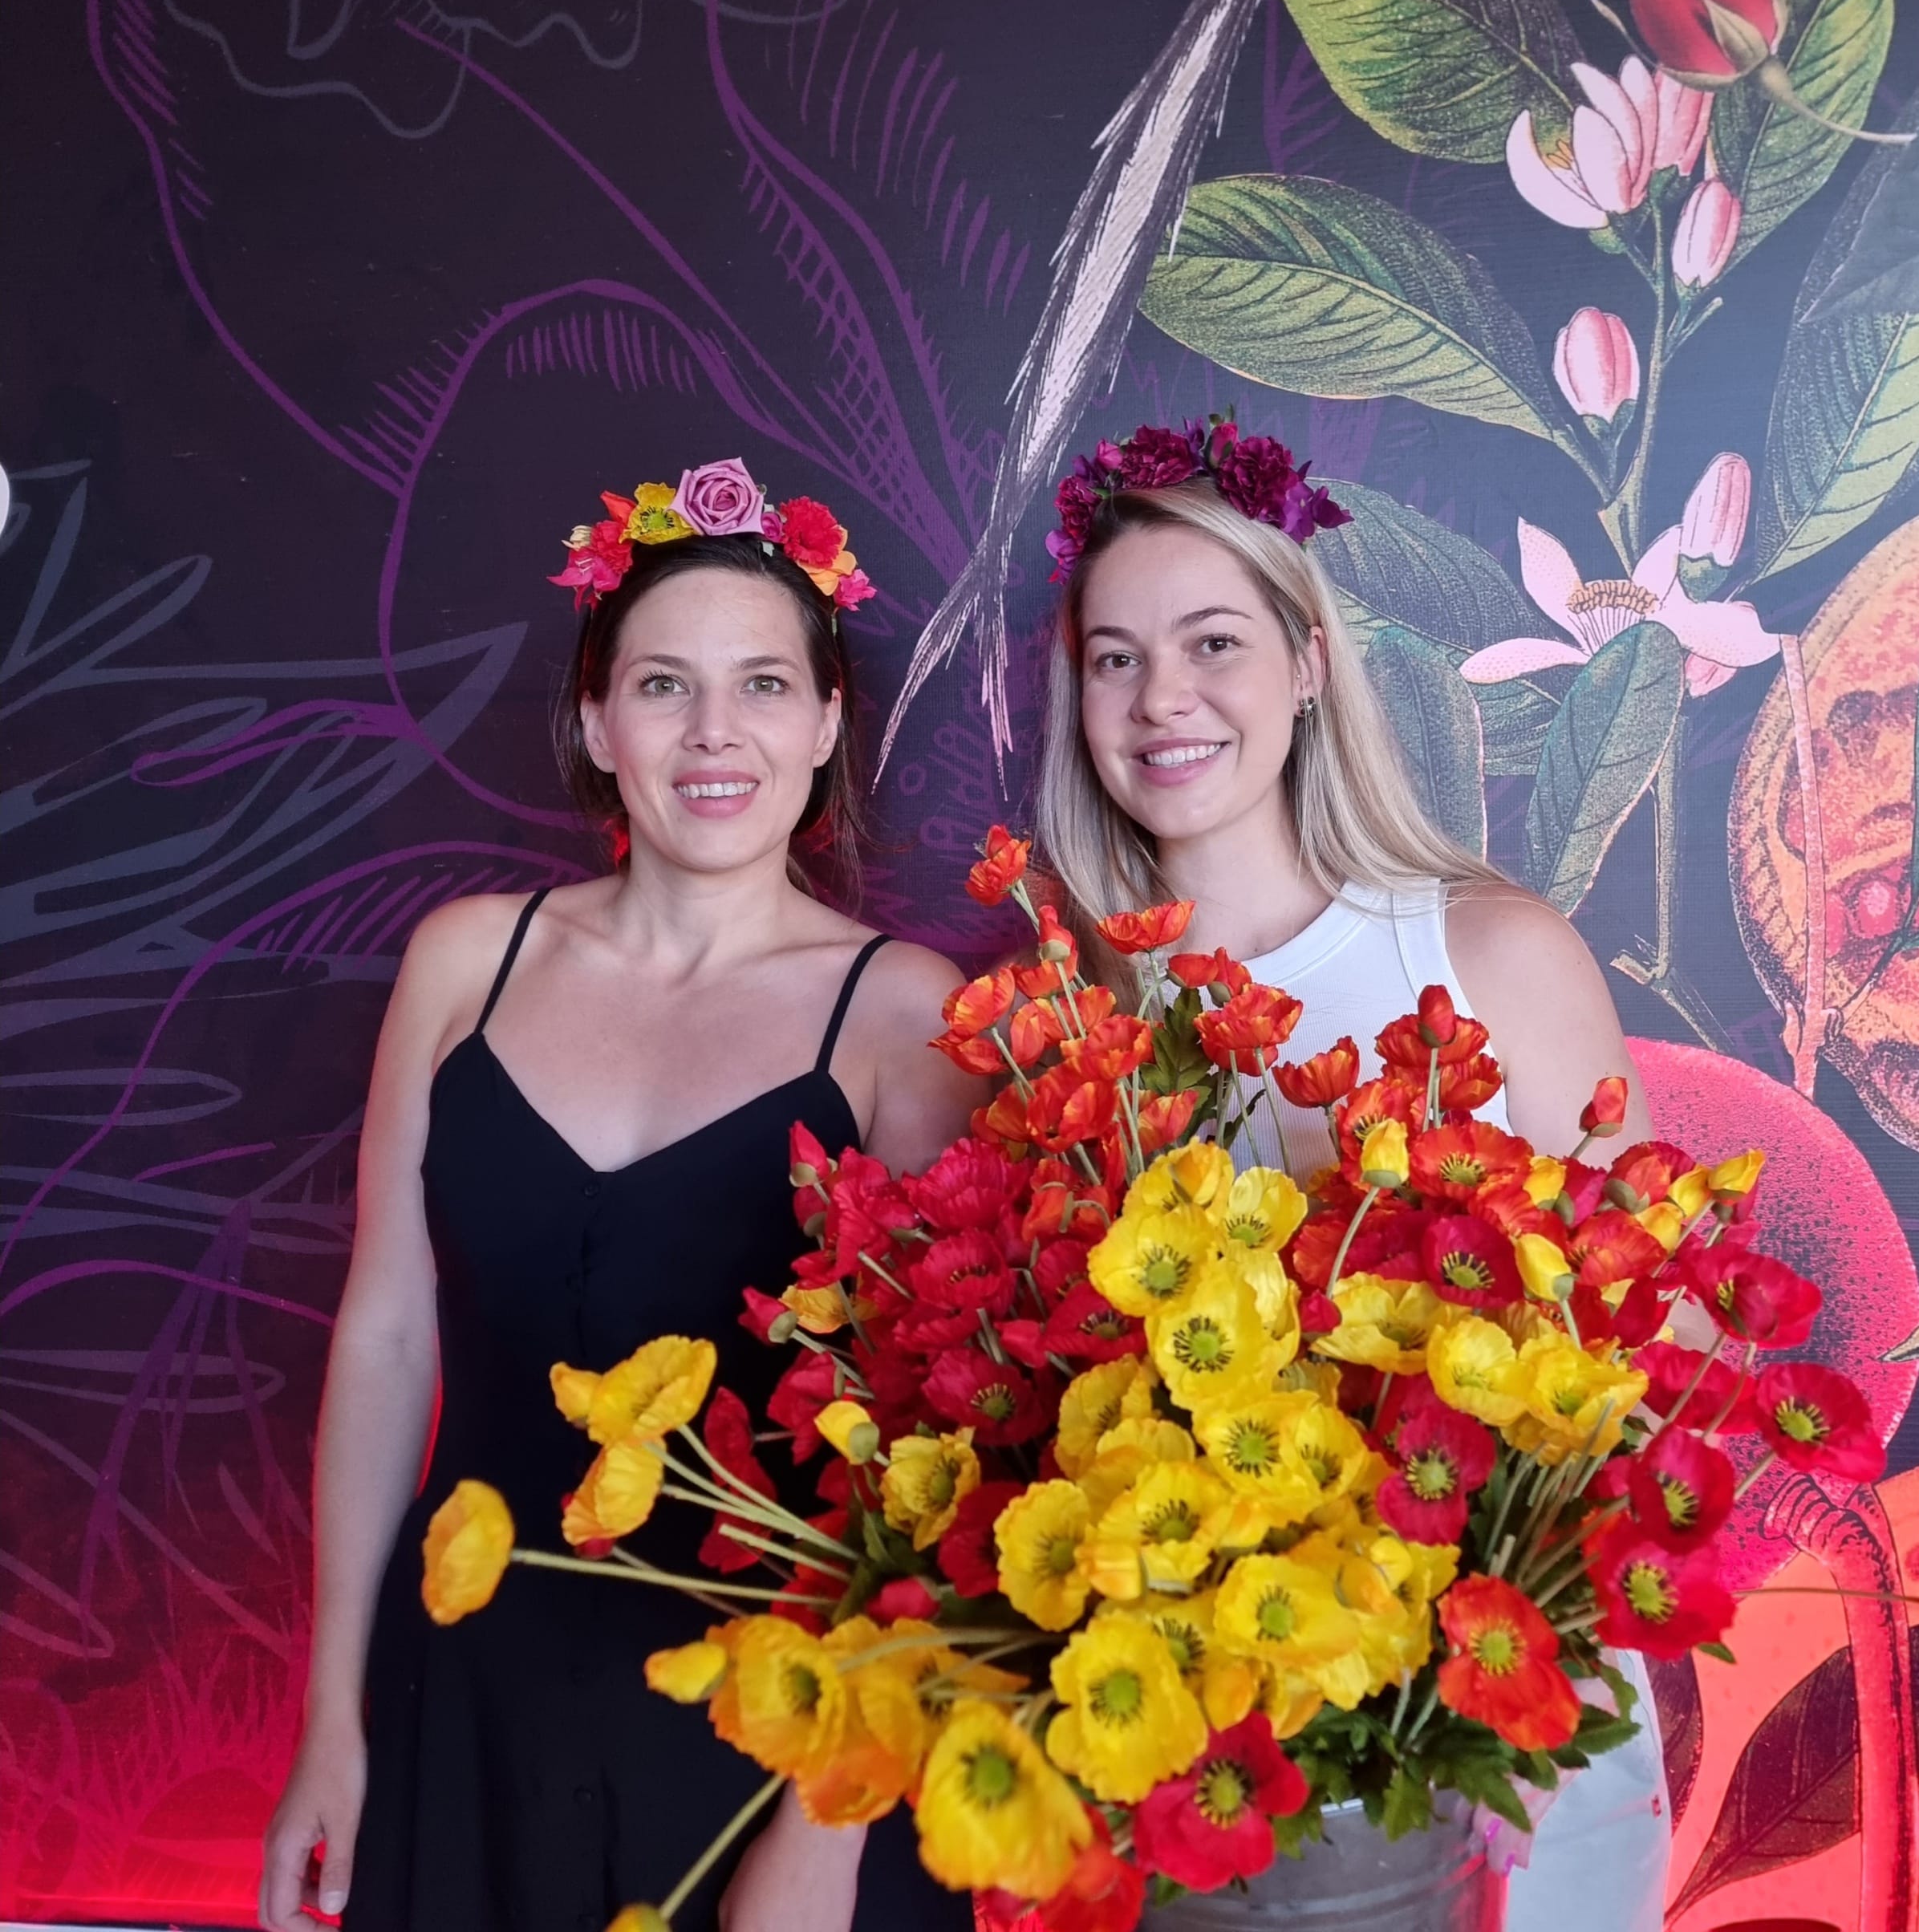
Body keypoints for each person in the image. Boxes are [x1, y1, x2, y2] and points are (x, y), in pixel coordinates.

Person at [260, 465, 986, 1932]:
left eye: (764, 684)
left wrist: (825, 1813)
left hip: (762, 1724)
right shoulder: (465, 961)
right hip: (466, 1688)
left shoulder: (908, 1014)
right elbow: (389, 1340)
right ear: (598, 723)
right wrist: (332, 1715)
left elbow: (940, 1455)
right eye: (664, 684)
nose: (715, 733)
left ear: (829, 720)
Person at [1034, 425, 1670, 1931]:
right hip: (1201, 1752)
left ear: (1311, 663)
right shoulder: (1066, 1022)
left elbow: (1659, 1360)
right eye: (1114, 659)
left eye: (1212, 643)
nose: (1160, 699)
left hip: (1491, 1741)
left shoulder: (1485, 955)